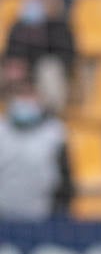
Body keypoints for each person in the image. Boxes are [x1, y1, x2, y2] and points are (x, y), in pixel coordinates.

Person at [0, 56, 73, 222]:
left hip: (41, 220)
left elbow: (65, 181)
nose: (24, 101)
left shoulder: (55, 133)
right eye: (20, 94)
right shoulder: (1, 130)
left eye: (29, 95)